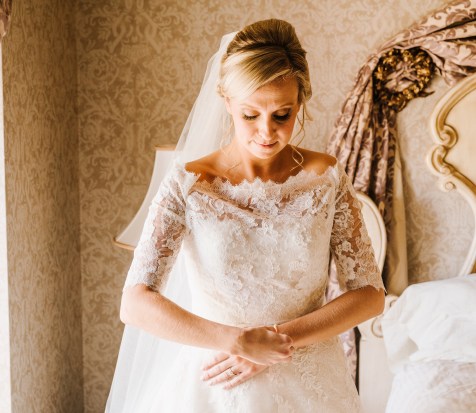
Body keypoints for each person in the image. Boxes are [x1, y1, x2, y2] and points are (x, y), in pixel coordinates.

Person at [107, 19, 385, 412]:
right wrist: (238, 342)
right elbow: (135, 304)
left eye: (282, 114)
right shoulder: (189, 183)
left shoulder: (325, 178)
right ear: (227, 101)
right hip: (215, 380)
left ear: (300, 102)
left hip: (311, 383)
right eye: (250, 115)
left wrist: (275, 340)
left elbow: (370, 295)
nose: (266, 132)